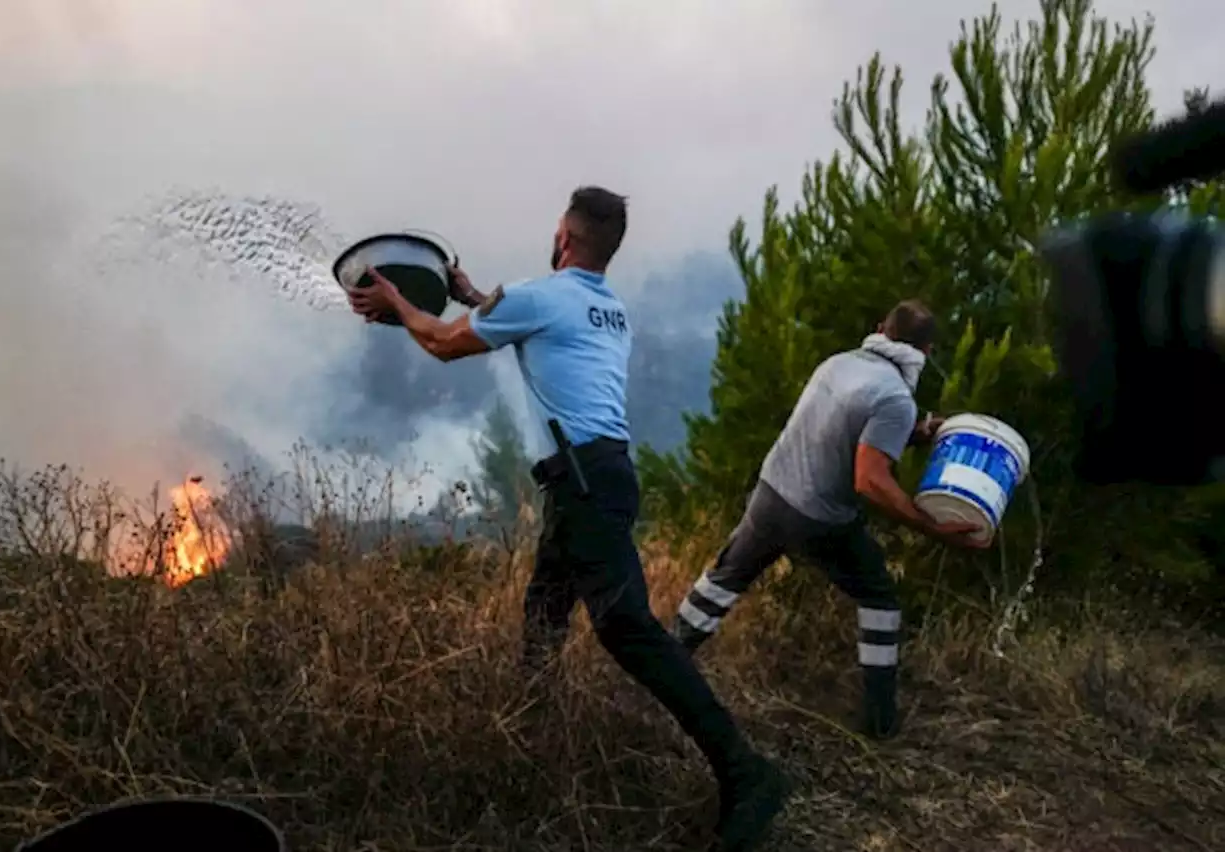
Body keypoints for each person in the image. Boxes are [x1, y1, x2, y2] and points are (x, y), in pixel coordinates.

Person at [347, 187, 790, 851]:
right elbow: (526, 320)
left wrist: (397, 303)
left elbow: (440, 344)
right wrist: (472, 296)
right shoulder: (607, 307)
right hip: (598, 479)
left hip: (584, 485)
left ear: (565, 236)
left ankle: (747, 772)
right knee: (545, 610)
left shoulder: (541, 296)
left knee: (630, 631)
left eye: (556, 229)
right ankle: (535, 733)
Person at [670, 299, 989, 740]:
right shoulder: (896, 396)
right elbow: (869, 480)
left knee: (724, 580)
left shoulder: (839, 363)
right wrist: (931, 526)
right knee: (879, 599)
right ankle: (878, 725)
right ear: (928, 352)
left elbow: (844, 427)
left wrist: (920, 430)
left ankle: (664, 663)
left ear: (880, 328)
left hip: (772, 491)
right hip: (818, 517)